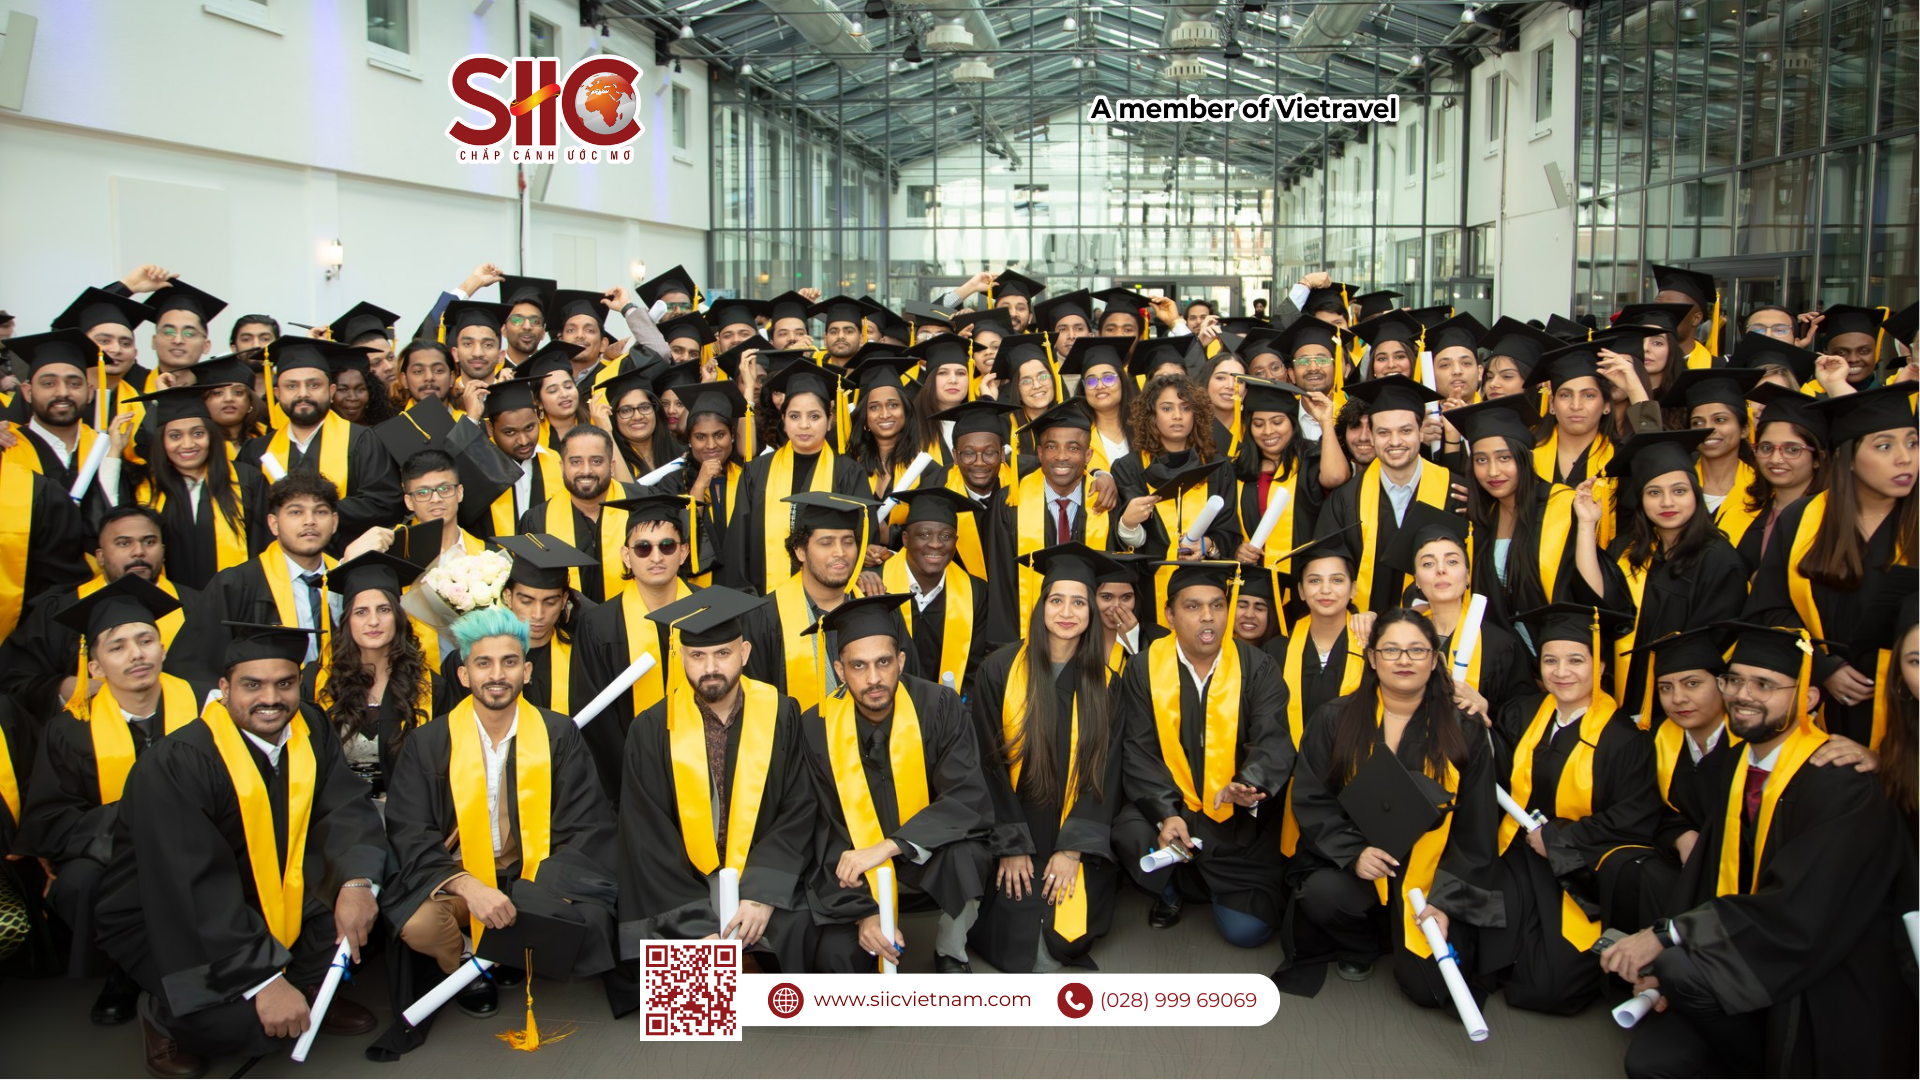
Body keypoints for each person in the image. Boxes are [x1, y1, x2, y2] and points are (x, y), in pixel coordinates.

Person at [1604, 624, 1915, 1077]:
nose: (1742, 695)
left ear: (1808, 698)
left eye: (1764, 684)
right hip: (1749, 945)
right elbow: (1708, 872)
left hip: (1819, 969)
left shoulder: (1841, 783)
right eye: (1734, 680)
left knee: (1682, 970)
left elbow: (1803, 908)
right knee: (1652, 1064)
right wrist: (1667, 954)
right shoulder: (1735, 764)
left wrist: (1670, 935)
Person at [92, 622, 383, 1075]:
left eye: (284, 683)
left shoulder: (310, 727)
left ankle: (311, 993)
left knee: (366, 911)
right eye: (252, 685)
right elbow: (191, 882)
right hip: (171, 912)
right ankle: (163, 1017)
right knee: (241, 1026)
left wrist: (356, 883)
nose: (271, 698)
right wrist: (262, 980)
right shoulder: (177, 762)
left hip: (272, 886)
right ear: (224, 689)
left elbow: (344, 808)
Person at [381, 607, 618, 1033]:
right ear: (463, 675)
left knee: (591, 915)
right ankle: (468, 962)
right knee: (418, 924)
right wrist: (469, 887)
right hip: (458, 875)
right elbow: (410, 830)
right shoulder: (428, 742)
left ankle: (509, 947)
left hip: (530, 873)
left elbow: (587, 823)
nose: (496, 675)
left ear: (526, 672)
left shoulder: (557, 734)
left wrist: (540, 891)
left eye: (509, 662)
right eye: (483, 663)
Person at [1276, 609, 1503, 1002]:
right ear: (1372, 657)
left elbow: (1476, 824)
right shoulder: (1335, 718)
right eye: (1391, 650)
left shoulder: (1462, 727)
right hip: (1363, 858)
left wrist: (1446, 902)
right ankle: (1361, 942)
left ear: (1434, 659)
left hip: (1432, 869)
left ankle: (1400, 928)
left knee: (1430, 991)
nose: (1403, 660)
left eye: (1417, 650)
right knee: (1322, 893)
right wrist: (1354, 853)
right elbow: (1313, 798)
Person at [16, 576, 207, 1020]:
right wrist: (133, 823)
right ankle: (123, 969)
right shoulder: (69, 730)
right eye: (117, 646)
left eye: (145, 640)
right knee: (79, 881)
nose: (136, 654)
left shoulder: (206, 706)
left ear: (163, 648)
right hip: (116, 848)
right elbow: (51, 816)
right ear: (96, 668)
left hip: (204, 838)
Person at [616, 587, 818, 973]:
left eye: (723, 653)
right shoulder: (651, 729)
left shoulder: (782, 714)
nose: (710, 667)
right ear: (680, 656)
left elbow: (800, 807)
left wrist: (762, 892)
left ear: (744, 653)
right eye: (697, 655)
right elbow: (647, 835)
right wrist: (695, 925)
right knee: (692, 970)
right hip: (683, 883)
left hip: (764, 868)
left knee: (802, 930)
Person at [800, 594, 993, 973]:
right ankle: (867, 926)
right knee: (838, 962)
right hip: (853, 858)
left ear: (900, 661)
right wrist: (864, 912)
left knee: (969, 856)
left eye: (883, 662)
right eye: (858, 666)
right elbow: (821, 823)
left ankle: (951, 950)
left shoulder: (939, 706)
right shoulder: (816, 726)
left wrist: (890, 846)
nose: (873, 678)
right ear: (840, 670)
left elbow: (966, 795)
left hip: (925, 851)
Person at [1484, 603, 1660, 1016]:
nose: (1561, 672)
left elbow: (1633, 818)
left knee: (1549, 990)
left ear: (1600, 667)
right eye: (1550, 660)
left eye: (1576, 660)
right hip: (1511, 852)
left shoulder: (1624, 739)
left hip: (1575, 868)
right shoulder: (1523, 712)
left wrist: (1559, 837)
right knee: (1472, 942)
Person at [1114, 562, 1291, 946]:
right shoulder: (1144, 667)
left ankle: (1201, 878)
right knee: (1130, 830)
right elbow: (1138, 750)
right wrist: (1165, 812)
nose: (1208, 616)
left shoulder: (1257, 667)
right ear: (1170, 615)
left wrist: (1249, 783)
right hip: (1172, 807)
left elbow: (1273, 738)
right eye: (1193, 606)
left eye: (1217, 605)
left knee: (1247, 931)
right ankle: (1171, 886)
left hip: (1233, 818)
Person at [969, 544, 1127, 972]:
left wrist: (1073, 849)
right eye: (1056, 600)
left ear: (1092, 612)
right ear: (1041, 606)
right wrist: (1011, 845)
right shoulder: (999, 670)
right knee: (1013, 939)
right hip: (1013, 823)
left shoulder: (1107, 685)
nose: (1067, 612)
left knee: (1063, 940)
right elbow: (986, 764)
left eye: (1079, 602)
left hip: (1073, 830)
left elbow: (1108, 773)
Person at [1746, 385, 1917, 746]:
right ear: (1848, 457)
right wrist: (1823, 666)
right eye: (1884, 446)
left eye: (1913, 443)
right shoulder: (1803, 520)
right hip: (1824, 705)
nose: (1906, 458)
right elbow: (1770, 610)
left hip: (1908, 712)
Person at [0, 506, 224, 718]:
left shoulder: (201, 607)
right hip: (91, 736)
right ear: (100, 556)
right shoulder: (61, 611)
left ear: (163, 551)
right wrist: (61, 687)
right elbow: (16, 678)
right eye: (124, 543)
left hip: (187, 728)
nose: (139, 552)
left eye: (149, 542)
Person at [1441, 393, 1611, 648]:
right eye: (1481, 460)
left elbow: (1594, 595)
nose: (1493, 471)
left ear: (1523, 457)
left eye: (1504, 457)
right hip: (1506, 655)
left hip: (1559, 650)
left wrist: (1586, 525)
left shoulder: (1562, 506)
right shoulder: (1483, 519)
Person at [1602, 432, 1750, 719]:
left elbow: (1717, 639)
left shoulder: (1719, 559)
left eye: (1679, 491)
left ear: (1696, 494)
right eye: (1654, 493)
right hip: (1624, 693)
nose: (1667, 502)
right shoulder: (1626, 550)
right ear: (1641, 500)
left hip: (1682, 699)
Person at [571, 494, 706, 801]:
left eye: (667, 546)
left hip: (706, 771)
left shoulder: (710, 613)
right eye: (643, 548)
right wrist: (636, 777)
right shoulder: (598, 626)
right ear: (626, 555)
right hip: (629, 782)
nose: (655, 557)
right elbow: (598, 722)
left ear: (683, 552)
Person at [303, 551, 455, 801]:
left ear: (398, 616)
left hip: (408, 816)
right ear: (347, 621)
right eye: (361, 612)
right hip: (338, 816)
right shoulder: (317, 683)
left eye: (383, 609)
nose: (373, 621)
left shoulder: (430, 687)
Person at [236, 336, 404, 547]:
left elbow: (384, 504)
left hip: (346, 560)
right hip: (276, 564)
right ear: (277, 394)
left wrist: (316, 511)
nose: (303, 394)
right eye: (291, 386)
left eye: (314, 385)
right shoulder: (256, 451)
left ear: (331, 391)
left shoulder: (363, 441)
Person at [1316, 376, 1465, 613]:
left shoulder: (1456, 492)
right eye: (1384, 432)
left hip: (1437, 627)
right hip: (1363, 626)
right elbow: (1329, 567)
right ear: (1372, 436)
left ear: (1421, 431)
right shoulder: (1345, 500)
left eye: (1405, 430)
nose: (1395, 442)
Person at [720, 360, 869, 596]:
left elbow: (860, 539)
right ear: (784, 420)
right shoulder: (756, 471)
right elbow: (738, 544)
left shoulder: (849, 473)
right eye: (794, 416)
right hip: (763, 600)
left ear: (829, 420)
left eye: (814, 416)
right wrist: (747, 603)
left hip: (830, 600)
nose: (804, 425)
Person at [984, 400, 1126, 644]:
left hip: (1091, 638)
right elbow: (1002, 578)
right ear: (1040, 453)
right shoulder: (1010, 502)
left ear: (1088, 455)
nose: (1061, 456)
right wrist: (1007, 647)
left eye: (1073, 448)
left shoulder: (1105, 501)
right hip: (1026, 635)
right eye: (1052, 447)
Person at [103, 384, 270, 589]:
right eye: (175, 436)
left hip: (236, 599)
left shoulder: (246, 480)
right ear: (161, 441)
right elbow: (110, 512)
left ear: (211, 436)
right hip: (169, 603)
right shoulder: (145, 485)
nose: (188, 444)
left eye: (198, 433)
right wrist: (115, 450)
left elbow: (264, 545)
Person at [1380, 502, 1535, 716]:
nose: (1441, 570)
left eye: (1452, 562)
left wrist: (1487, 707)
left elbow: (1524, 715)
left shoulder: (1501, 645)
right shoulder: (1398, 638)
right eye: (1428, 564)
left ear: (1468, 575)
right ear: (1416, 580)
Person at [858, 487, 990, 694]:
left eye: (945, 536)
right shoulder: (872, 585)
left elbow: (974, 667)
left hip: (948, 707)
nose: (936, 544)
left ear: (955, 542)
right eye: (924, 534)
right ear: (905, 539)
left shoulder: (975, 592)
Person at [1230, 377, 1343, 567]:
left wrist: (1325, 422)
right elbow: (1227, 527)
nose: (1268, 431)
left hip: (1303, 573)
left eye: (1277, 422)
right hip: (1252, 578)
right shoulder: (1236, 469)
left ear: (1292, 422)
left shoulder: (1311, 460)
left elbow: (1336, 477)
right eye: (1258, 424)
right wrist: (1236, 549)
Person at [516, 425, 633, 603]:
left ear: (611, 466)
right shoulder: (537, 521)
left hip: (633, 617)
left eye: (596, 461)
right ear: (562, 467)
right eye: (576, 462)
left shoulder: (640, 507)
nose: (586, 471)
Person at [1735, 383, 1830, 571]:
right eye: (1766, 448)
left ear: (1818, 459)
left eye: (1792, 449)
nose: (1776, 459)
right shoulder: (1741, 514)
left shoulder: (1832, 518)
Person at [466, 373, 564, 538]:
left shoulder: (555, 461)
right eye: (510, 432)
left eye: (529, 428)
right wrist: (472, 419)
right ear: (490, 428)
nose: (524, 441)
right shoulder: (479, 464)